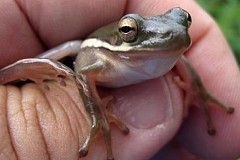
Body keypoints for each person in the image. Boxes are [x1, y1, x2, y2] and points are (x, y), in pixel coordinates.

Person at [0, 0, 239, 159]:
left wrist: (196, 89)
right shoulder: (104, 63)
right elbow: (84, 72)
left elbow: (181, 57)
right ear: (124, 33)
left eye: (184, 21)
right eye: (129, 30)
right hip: (97, 50)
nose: (170, 34)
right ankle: (28, 68)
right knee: (72, 46)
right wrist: (97, 113)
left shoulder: (171, 51)